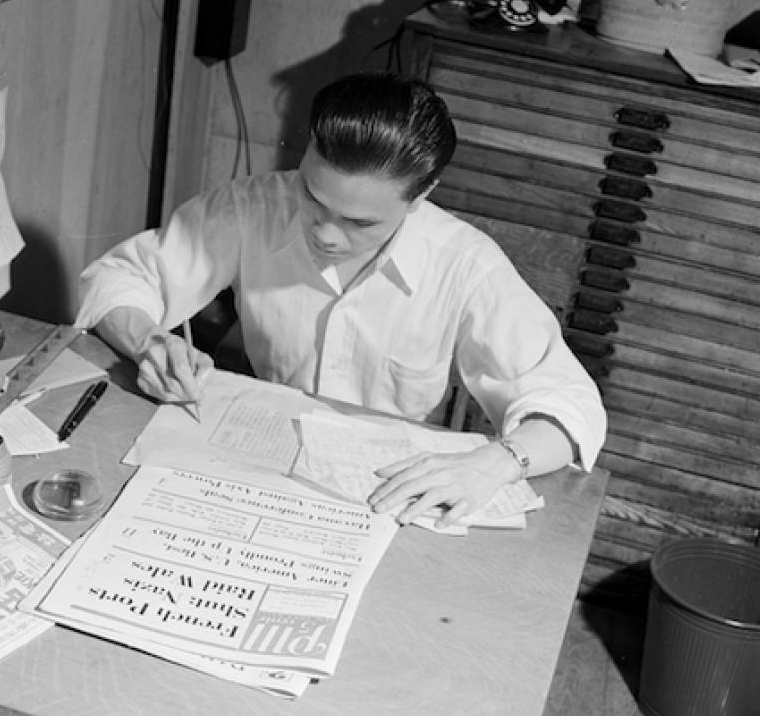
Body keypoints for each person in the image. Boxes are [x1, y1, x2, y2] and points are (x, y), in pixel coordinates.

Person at [76, 71, 606, 529]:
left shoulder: (466, 266)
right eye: (313, 196)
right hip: (259, 460)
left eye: (359, 222)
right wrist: (148, 342)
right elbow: (117, 280)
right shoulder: (252, 207)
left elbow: (571, 408)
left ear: (421, 195)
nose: (326, 235)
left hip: (388, 491)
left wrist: (495, 462)